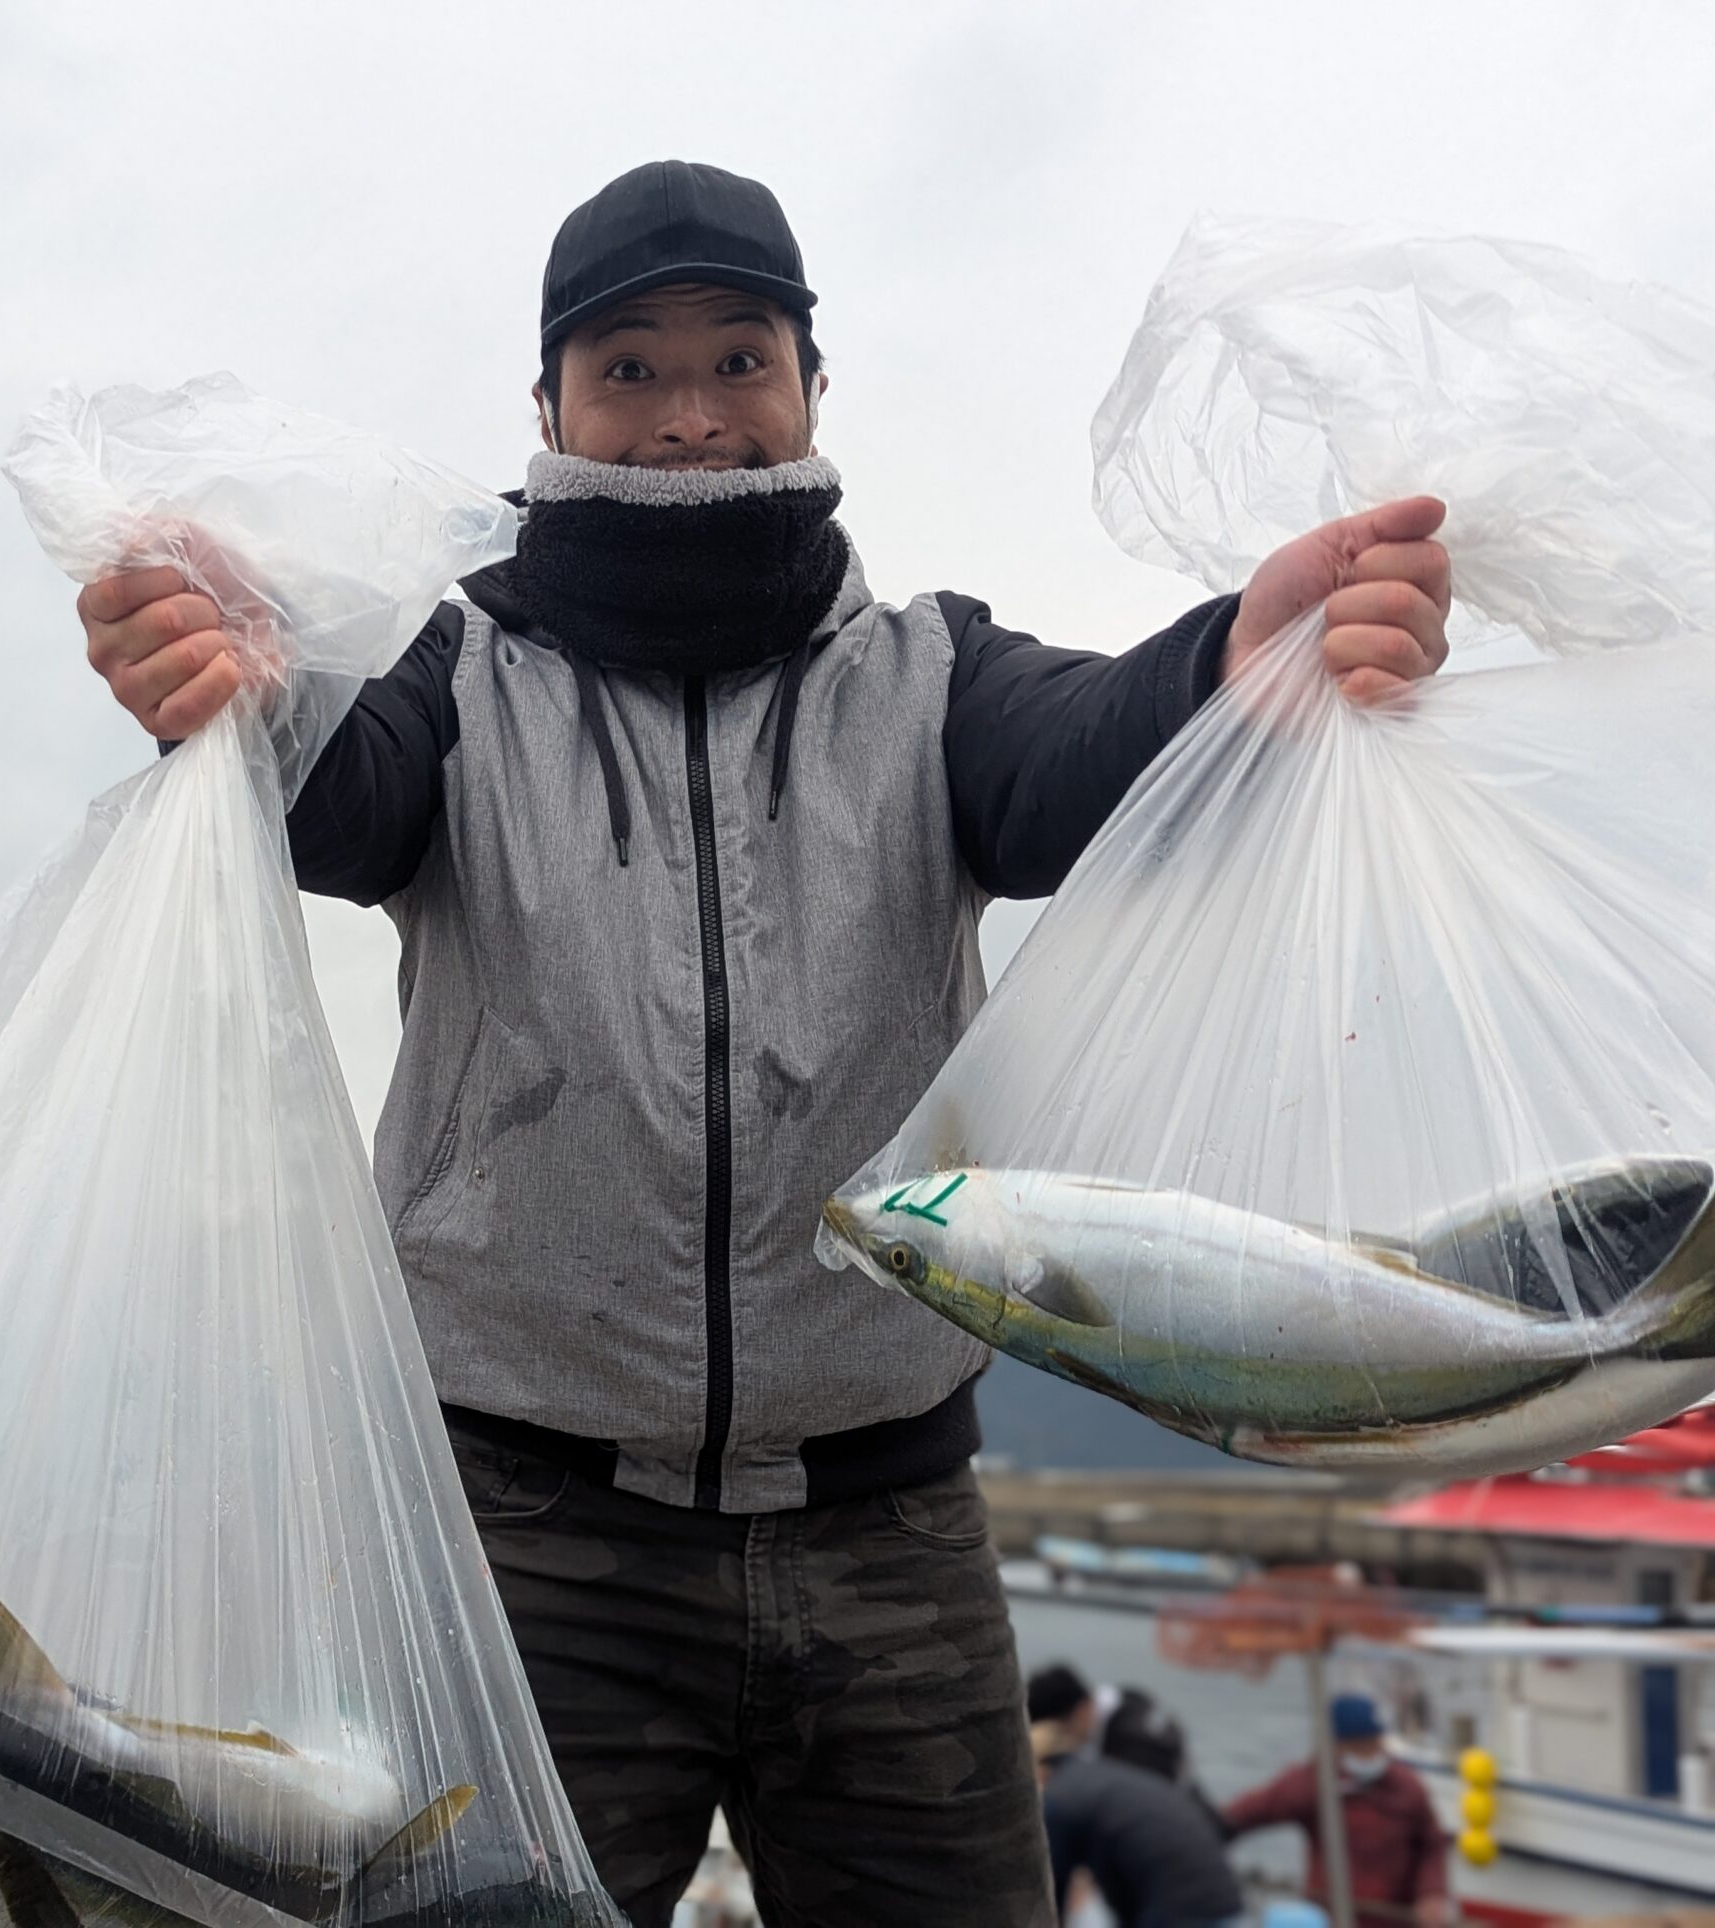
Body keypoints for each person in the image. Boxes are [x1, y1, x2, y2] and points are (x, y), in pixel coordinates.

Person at [76, 160, 1451, 1925]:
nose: (690, 413)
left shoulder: (929, 672)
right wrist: (236, 691)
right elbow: (335, 792)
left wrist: (1235, 664)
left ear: (810, 384)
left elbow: (1082, 760)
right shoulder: (452, 675)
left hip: (895, 1534)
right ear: (551, 405)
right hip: (524, 1541)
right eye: (629, 369)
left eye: (741, 357)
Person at [1031, 1670, 1247, 1928]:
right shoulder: (1105, 1761)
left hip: (1185, 1904)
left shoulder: (1068, 1790)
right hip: (1220, 1891)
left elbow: (1052, 1891)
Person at [1224, 1694, 1453, 1926]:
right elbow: (1241, 1815)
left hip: (1395, 1918)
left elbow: (1432, 1844)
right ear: (1337, 1745)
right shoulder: (1314, 1782)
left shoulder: (1406, 1786)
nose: (1370, 1753)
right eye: (1360, 1746)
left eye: (1375, 1743)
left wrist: (1432, 1893)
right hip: (1334, 1916)